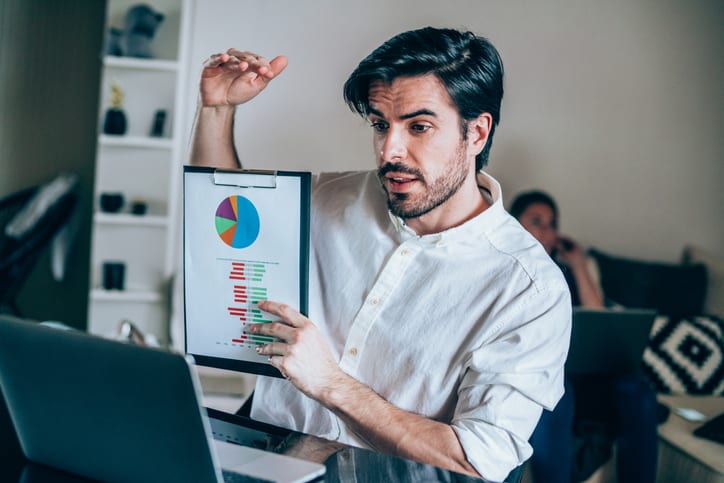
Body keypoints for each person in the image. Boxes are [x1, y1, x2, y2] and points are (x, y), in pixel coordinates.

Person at [189, 27, 572, 481]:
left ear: (477, 133)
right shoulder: (328, 197)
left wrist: (331, 385)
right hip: (267, 460)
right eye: (380, 124)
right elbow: (225, 224)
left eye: (419, 127)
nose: (390, 150)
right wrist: (217, 110)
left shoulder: (529, 288)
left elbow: (478, 456)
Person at [510, 190, 658, 483]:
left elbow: (599, 322)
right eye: (536, 221)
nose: (547, 231)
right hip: (548, 375)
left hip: (586, 375)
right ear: (514, 224)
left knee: (637, 388)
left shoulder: (564, 273)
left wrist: (578, 265)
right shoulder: (508, 268)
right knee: (556, 391)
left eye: (552, 224)